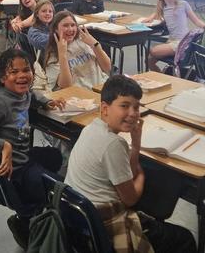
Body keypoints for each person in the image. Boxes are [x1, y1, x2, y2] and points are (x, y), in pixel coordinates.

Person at [65, 75, 197, 253]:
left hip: (80, 220)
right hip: (103, 227)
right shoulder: (112, 144)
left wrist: (136, 143)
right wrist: (141, 176)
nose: (133, 113)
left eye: (136, 107)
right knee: (184, 238)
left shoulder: (91, 129)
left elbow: (126, 170)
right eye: (124, 106)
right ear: (105, 108)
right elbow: (130, 199)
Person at [0, 49, 66, 248]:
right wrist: (3, 145)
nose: (22, 75)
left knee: (55, 156)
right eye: (14, 72)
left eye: (26, 70)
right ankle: (27, 219)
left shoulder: (20, 93)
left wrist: (47, 101)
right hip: (14, 170)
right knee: (58, 188)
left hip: (22, 158)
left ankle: (32, 209)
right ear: (2, 77)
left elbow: (31, 95)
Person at [141, 0, 205, 72]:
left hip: (182, 42)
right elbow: (155, 14)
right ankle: (163, 78)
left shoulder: (183, 4)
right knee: (149, 61)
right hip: (171, 41)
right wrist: (149, 18)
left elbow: (197, 21)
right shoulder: (163, 9)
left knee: (153, 51)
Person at [42, 11, 111, 90]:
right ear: (56, 30)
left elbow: (107, 68)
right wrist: (62, 55)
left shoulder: (84, 41)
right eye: (65, 25)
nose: (70, 29)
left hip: (101, 88)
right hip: (81, 96)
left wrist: (96, 45)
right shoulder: (54, 54)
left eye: (73, 25)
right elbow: (66, 86)